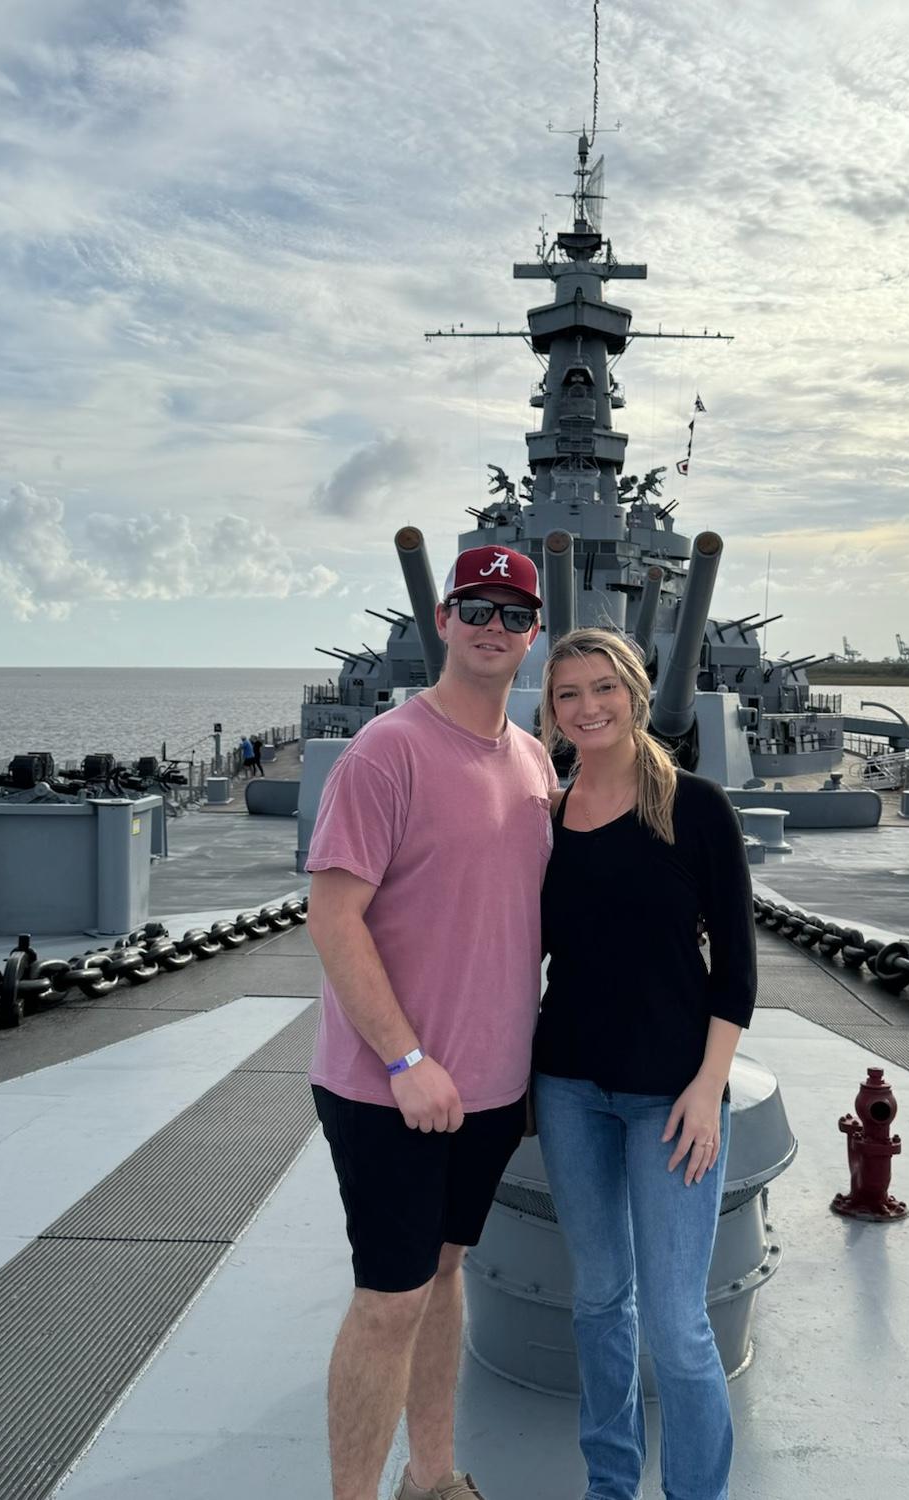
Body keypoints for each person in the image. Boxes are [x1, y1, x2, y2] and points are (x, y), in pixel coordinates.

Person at [306, 544, 557, 1500]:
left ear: (533, 635)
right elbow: (333, 916)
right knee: (388, 1302)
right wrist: (406, 1058)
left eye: (513, 613)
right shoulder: (388, 751)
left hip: (488, 1090)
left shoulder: (533, 760)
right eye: (476, 608)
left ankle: (433, 1476)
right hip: (391, 1087)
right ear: (444, 620)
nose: (494, 627)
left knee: (446, 1273)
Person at [532, 627, 756, 1500]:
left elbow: (736, 968)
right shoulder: (549, 818)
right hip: (569, 1088)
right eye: (568, 694)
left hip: (672, 1094)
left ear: (634, 692)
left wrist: (708, 1088)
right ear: (552, 712)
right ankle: (610, 1484)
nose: (588, 707)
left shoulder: (695, 808)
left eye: (603, 688)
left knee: (676, 1324)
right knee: (599, 1300)